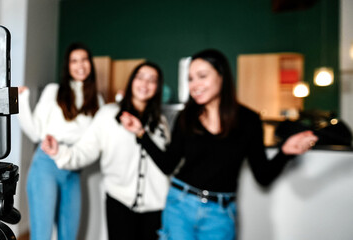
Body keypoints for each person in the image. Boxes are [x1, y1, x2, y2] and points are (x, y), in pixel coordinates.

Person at [119, 49, 319, 240]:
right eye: (190, 78)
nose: (194, 84)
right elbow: (167, 164)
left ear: (221, 76)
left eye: (202, 76)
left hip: (221, 214)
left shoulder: (248, 120)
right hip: (180, 205)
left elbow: (263, 176)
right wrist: (140, 133)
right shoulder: (186, 117)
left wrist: (285, 153)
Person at [42, 62, 171, 240]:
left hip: (156, 207)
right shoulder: (108, 115)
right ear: (132, 81)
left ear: (157, 87)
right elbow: (85, 150)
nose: (145, 84)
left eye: (152, 80)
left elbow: (168, 162)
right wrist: (60, 152)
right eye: (140, 77)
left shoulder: (161, 122)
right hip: (119, 201)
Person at [18, 43, 103, 240]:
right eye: (74, 61)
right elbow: (35, 132)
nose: (80, 65)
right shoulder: (53, 91)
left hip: (74, 170)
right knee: (42, 234)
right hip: (46, 165)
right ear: (67, 66)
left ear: (90, 64)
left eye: (84, 60)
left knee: (69, 235)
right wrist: (22, 101)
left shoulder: (97, 100)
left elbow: (96, 141)